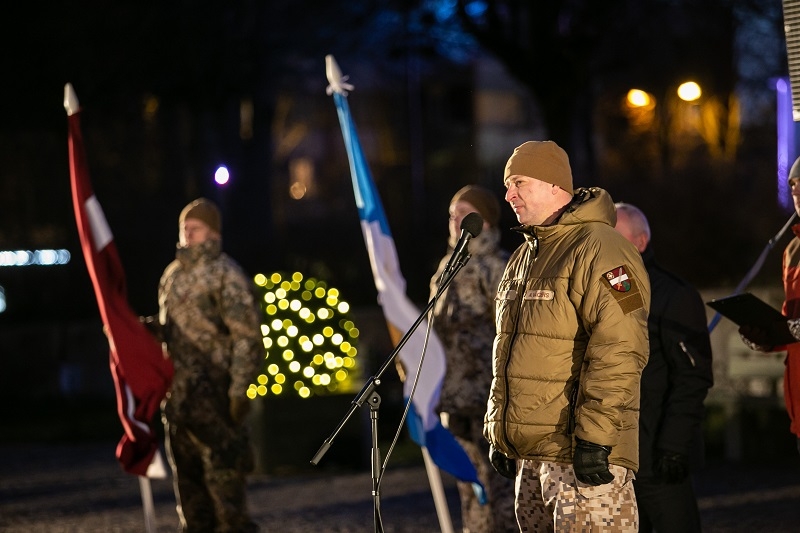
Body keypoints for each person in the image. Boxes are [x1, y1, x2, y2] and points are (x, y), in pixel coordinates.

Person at [484, 140, 650, 531]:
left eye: (518, 182)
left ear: (552, 184)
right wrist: (503, 431)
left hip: (584, 456)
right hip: (533, 457)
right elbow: (507, 349)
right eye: (508, 185)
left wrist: (595, 437)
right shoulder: (525, 255)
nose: (508, 195)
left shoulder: (603, 249)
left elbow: (622, 347)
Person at [143, 198, 263, 532]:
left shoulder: (226, 274)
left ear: (212, 233)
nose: (187, 234)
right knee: (192, 505)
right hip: (179, 404)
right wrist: (138, 330)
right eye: (184, 228)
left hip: (215, 401)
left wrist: (239, 390)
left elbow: (246, 337)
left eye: (194, 229)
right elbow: (171, 330)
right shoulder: (172, 275)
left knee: (228, 507)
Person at [614, 202, 714, 533]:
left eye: (614, 237)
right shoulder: (612, 287)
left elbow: (692, 377)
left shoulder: (674, 295)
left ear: (639, 243)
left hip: (659, 455)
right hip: (617, 459)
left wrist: (673, 447)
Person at [429, 185, 516, 532]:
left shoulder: (498, 266)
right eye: (452, 214)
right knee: (469, 486)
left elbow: (511, 331)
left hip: (488, 397)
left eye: (464, 213)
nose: (455, 221)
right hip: (455, 397)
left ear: (484, 219)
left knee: (502, 490)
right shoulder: (447, 266)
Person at [739, 156, 800, 456]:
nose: (797, 192)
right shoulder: (791, 249)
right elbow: (793, 320)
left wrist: (789, 330)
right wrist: (767, 337)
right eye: (793, 186)